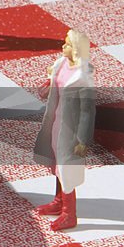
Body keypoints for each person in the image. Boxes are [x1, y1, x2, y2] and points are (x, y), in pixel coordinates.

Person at [33, 29, 95, 231]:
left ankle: (70, 214)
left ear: (76, 49)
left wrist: (83, 140)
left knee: (67, 170)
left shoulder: (82, 78)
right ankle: (59, 201)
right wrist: (48, 85)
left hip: (71, 129)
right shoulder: (61, 65)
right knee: (56, 164)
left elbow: (87, 112)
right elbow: (55, 85)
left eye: (67, 44)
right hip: (56, 124)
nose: (63, 47)